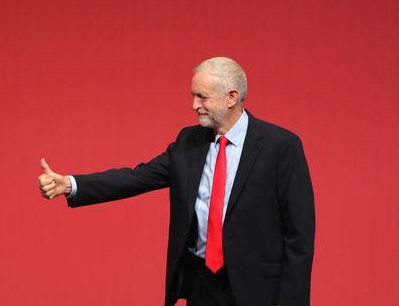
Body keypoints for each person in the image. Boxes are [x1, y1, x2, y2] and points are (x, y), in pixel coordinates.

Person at [37, 57, 315, 306]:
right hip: (201, 285)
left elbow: (299, 230)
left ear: (231, 97)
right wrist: (71, 185)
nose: (194, 105)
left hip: (257, 290)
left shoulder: (281, 146)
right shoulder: (188, 141)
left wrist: (291, 301)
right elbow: (137, 177)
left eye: (202, 97)